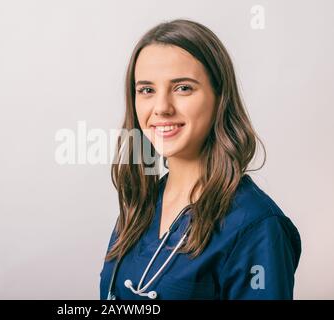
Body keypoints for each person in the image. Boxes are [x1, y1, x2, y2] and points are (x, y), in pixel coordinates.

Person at [99, 19, 301, 300]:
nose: (161, 108)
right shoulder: (140, 206)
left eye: (183, 88)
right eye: (147, 90)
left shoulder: (257, 227)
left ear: (220, 98)